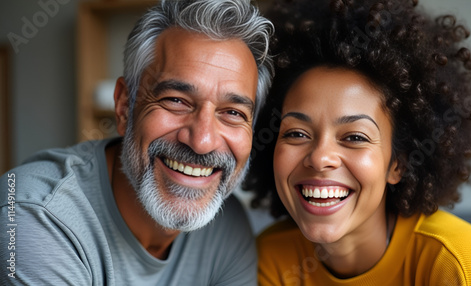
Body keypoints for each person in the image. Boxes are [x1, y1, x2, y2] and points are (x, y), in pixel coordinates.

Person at [0, 0, 273, 284]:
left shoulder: (228, 226)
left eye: (232, 113)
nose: (202, 141)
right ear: (123, 106)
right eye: (175, 100)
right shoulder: (33, 217)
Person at [243, 0, 471, 284]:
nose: (319, 157)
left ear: (398, 164)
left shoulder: (455, 262)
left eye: (354, 137)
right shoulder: (269, 259)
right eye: (296, 133)